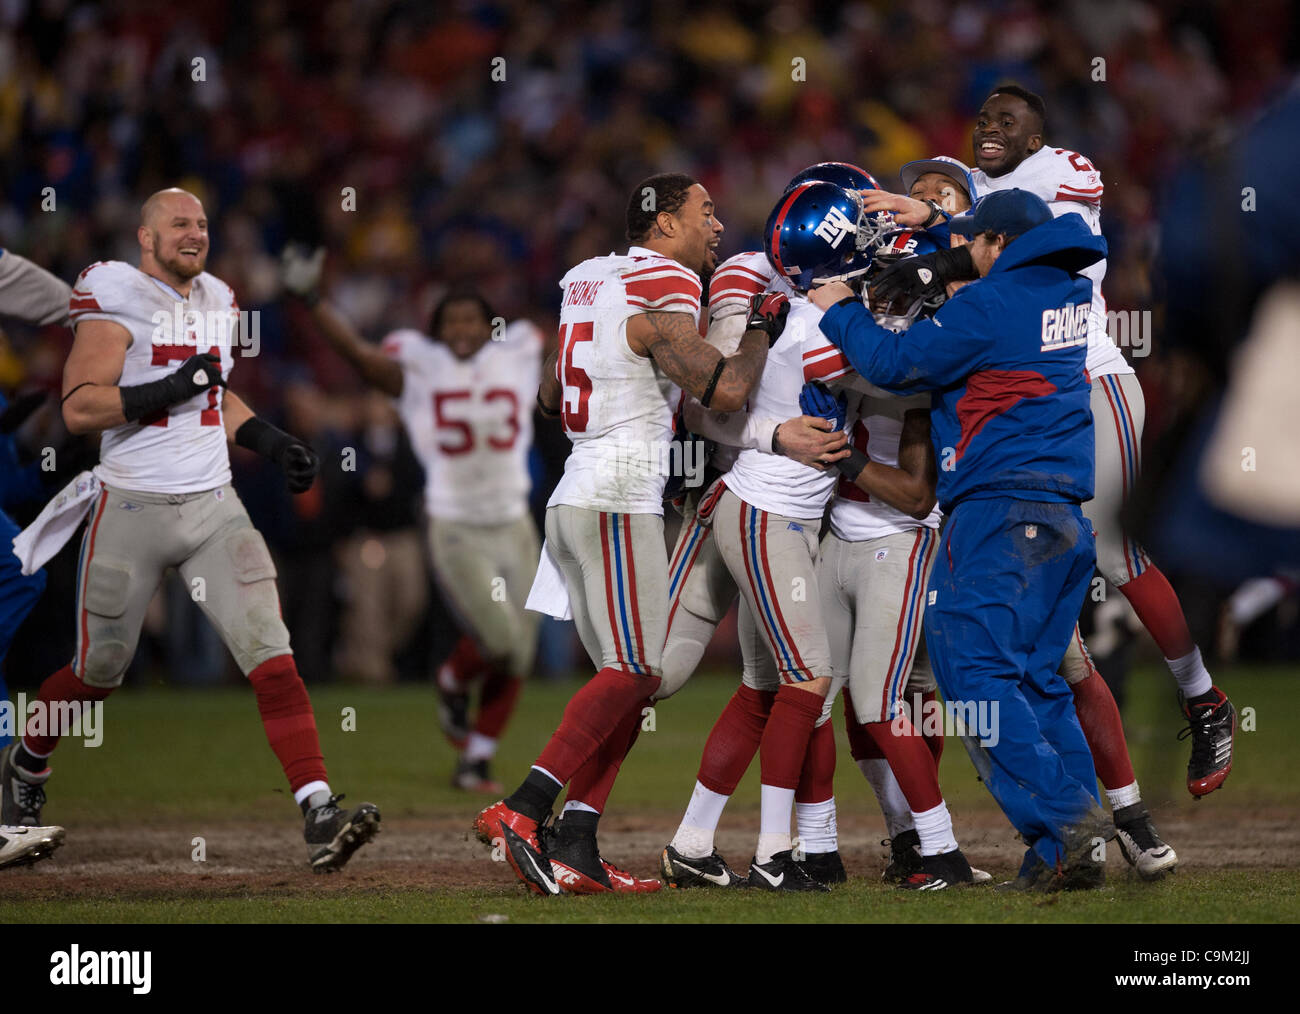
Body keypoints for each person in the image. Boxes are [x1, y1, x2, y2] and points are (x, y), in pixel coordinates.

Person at [864, 86, 1234, 813]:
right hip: (1021, 414)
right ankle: (1111, 816)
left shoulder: (1055, 177)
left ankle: (1202, 697)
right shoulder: (981, 210)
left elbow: (1036, 240)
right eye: (984, 119)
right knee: (1053, 645)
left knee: (1114, 552)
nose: (991, 130)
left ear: (1039, 139)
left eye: (1009, 122)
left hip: (1089, 378)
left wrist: (939, 228)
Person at [0, 188, 380, 874]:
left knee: (270, 648)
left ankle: (319, 807)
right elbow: (82, 406)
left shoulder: (218, 299)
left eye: (202, 222)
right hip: (131, 505)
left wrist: (272, 441)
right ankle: (26, 767)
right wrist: (171, 388)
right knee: (99, 669)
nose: (195, 232)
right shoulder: (114, 294)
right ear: (145, 238)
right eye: (179, 222)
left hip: (212, 503)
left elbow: (216, 395)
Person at [474, 173, 770, 896]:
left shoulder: (586, 277)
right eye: (705, 213)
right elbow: (725, 390)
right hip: (615, 496)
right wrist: (761, 323)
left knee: (628, 683)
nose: (718, 227)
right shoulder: (666, 281)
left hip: (576, 494)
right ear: (665, 224)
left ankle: (575, 843)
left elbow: (551, 395)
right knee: (637, 669)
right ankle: (524, 808)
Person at [812, 188, 1113, 890]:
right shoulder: (1071, 293)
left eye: (976, 242)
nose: (966, 253)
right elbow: (995, 254)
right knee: (1038, 682)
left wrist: (840, 311)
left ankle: (1071, 819)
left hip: (1000, 512)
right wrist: (945, 232)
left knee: (972, 675)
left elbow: (892, 366)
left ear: (1001, 245)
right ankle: (1068, 851)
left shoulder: (990, 304)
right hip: (1064, 517)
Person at [281, 251, 542, 793]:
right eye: (452, 321)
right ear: (436, 329)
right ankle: (450, 680)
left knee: (519, 651)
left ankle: (476, 759)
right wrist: (312, 299)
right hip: (454, 523)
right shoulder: (420, 367)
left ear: (489, 324)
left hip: (514, 521)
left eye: (472, 319)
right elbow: (356, 354)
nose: (463, 329)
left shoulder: (518, 350)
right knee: (498, 638)